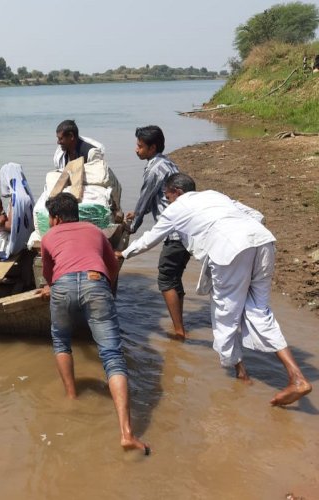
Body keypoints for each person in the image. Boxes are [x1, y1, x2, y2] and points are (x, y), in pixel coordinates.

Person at [119, 173, 312, 406]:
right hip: (262, 241)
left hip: (230, 250)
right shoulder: (213, 194)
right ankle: (296, 376)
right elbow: (255, 214)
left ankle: (242, 376)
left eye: (168, 196)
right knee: (259, 312)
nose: (168, 201)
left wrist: (124, 253)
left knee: (225, 316)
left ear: (177, 192)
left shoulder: (177, 208)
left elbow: (151, 238)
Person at [37, 193, 149, 455]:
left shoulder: (48, 237)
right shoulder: (95, 231)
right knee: (112, 356)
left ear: (54, 218)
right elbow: (112, 267)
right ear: (76, 213)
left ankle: (72, 397)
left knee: (61, 341)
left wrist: (51, 288)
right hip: (95, 281)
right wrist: (102, 292)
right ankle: (127, 433)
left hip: (62, 285)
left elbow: (48, 274)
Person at [125, 125, 190, 339]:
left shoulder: (155, 168)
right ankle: (179, 324)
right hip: (185, 230)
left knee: (165, 278)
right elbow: (154, 199)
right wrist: (136, 214)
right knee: (174, 279)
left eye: (140, 146)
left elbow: (145, 199)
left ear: (152, 147)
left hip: (173, 233)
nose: (136, 149)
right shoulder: (167, 162)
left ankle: (179, 331)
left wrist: (131, 229)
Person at [0, 162, 35, 257]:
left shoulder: (15, 199)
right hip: (27, 240)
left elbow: (11, 227)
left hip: (16, 245)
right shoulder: (28, 195)